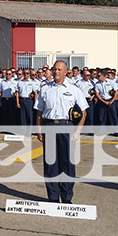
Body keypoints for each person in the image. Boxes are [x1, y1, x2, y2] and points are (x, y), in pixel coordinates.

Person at [34, 61, 88, 204]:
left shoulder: (74, 89)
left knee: (67, 164)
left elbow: (83, 112)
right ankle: (52, 197)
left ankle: (66, 197)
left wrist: (77, 132)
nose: (56, 71)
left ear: (65, 72)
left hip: (67, 127)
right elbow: (39, 112)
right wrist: (39, 131)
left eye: (59, 69)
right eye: (54, 69)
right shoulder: (45, 89)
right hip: (50, 126)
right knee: (51, 164)